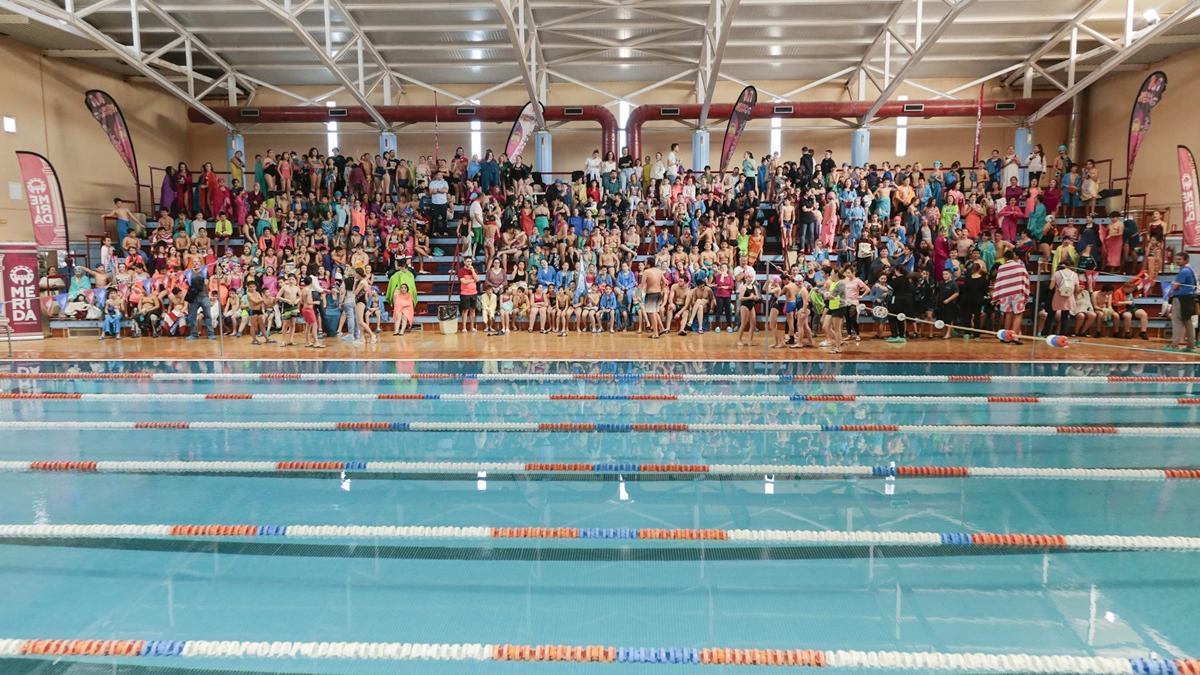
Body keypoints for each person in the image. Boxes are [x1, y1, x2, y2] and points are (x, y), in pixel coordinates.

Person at [1166, 251, 1196, 352]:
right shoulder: (1190, 270)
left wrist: (1172, 287)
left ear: (1186, 260)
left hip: (1181, 298)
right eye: (1176, 259)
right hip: (1188, 298)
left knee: (1177, 321)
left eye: (1179, 259)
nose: (1177, 261)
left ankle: (1174, 345)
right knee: (1188, 322)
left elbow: (1175, 286)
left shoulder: (1184, 271)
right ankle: (1191, 346)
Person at [184, 258, 217, 340]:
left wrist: (202, 282)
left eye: (198, 261)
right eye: (194, 261)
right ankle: (193, 334)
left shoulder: (205, 271)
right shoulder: (188, 272)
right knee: (192, 316)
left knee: (208, 315)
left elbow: (207, 283)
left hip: (204, 296)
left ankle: (210, 334)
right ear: (192, 263)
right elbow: (187, 283)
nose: (196, 263)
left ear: (200, 263)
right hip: (193, 297)